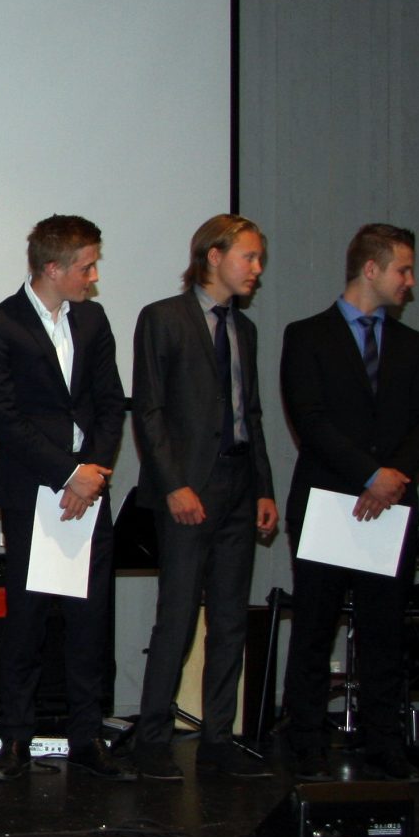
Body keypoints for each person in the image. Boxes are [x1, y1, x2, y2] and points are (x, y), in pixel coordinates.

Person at [0, 215, 132, 782]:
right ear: (52, 268)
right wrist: (69, 474)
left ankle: (87, 738)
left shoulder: (93, 319)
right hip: (34, 494)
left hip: (90, 493)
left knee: (90, 622)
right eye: (86, 267)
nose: (93, 277)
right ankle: (16, 739)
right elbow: (5, 420)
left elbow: (111, 403)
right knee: (27, 621)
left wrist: (93, 473)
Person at [279, 223, 419, 784]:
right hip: (329, 500)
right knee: (315, 627)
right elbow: (310, 418)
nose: (410, 281)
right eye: (403, 270)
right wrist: (368, 474)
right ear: (371, 269)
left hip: (390, 506)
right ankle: (305, 742)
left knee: (384, 631)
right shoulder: (307, 335)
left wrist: (390, 479)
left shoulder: (412, 344)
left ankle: (383, 745)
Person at [129, 214, 277, 781]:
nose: (257, 269)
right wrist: (174, 484)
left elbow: (251, 415)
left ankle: (219, 738)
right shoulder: (163, 318)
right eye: (249, 257)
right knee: (178, 616)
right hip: (188, 488)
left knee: (231, 618)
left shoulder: (245, 329)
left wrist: (263, 489)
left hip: (239, 486)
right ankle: (152, 739)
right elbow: (149, 410)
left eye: (259, 259)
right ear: (213, 256)